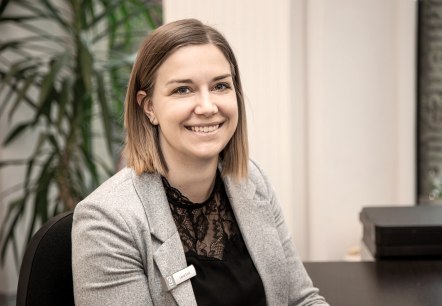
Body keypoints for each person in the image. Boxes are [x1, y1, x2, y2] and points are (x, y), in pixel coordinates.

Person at [71, 18, 328, 306]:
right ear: (149, 107)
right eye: (183, 89)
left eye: (220, 86)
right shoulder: (108, 220)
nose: (208, 107)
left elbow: (301, 299)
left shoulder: (251, 181)